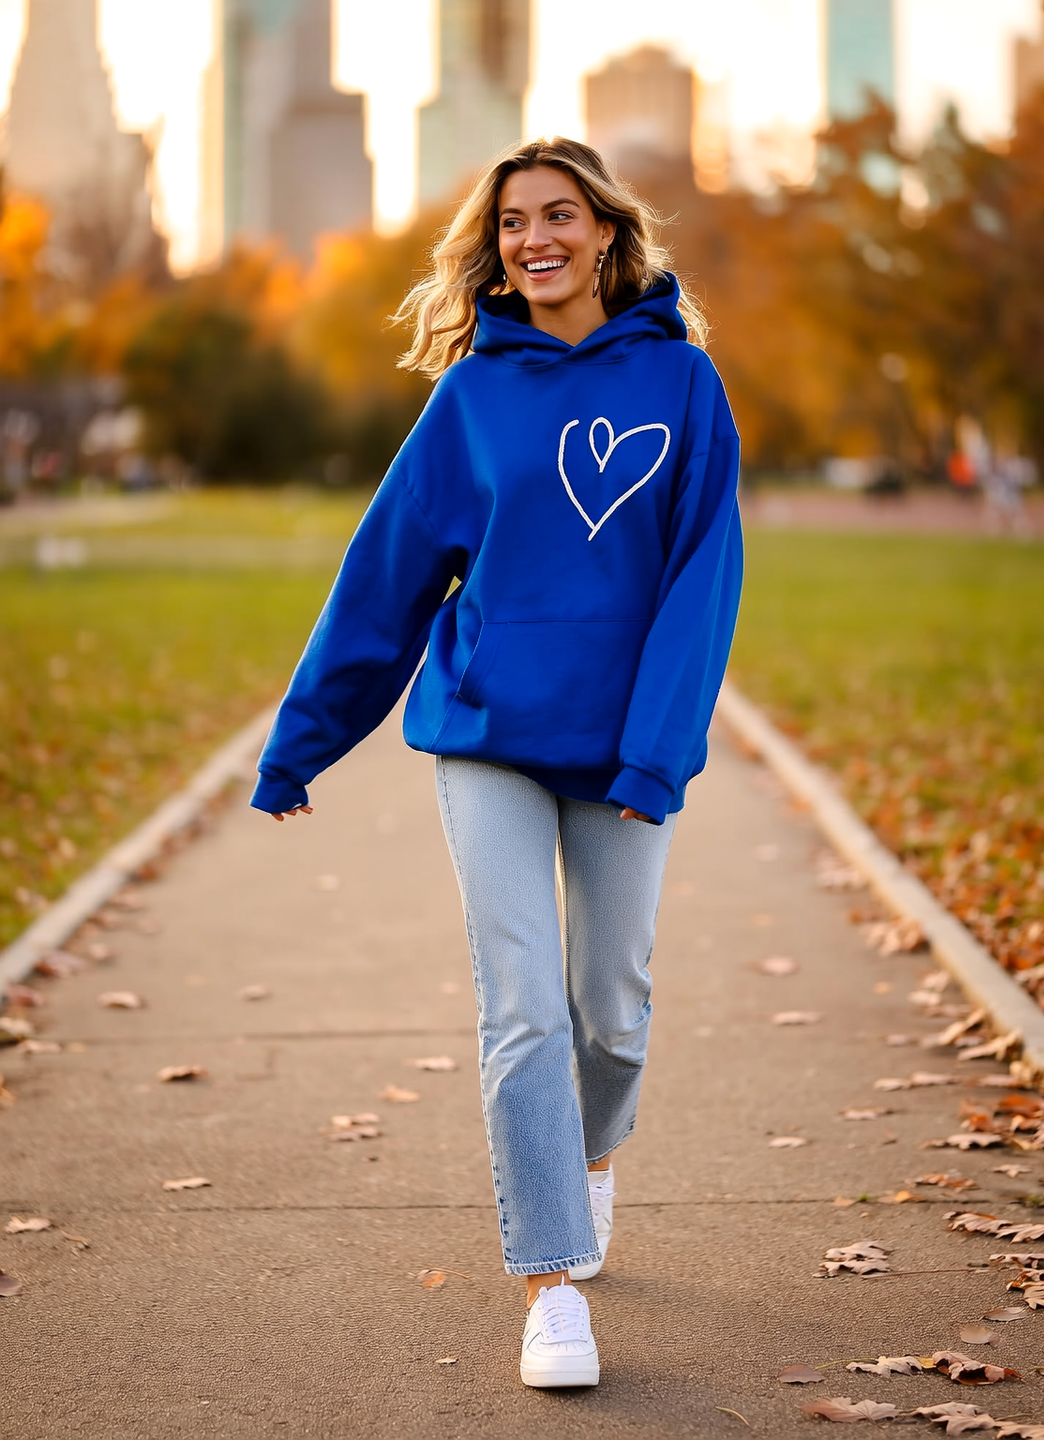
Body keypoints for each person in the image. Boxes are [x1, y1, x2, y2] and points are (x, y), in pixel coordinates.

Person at [250, 137, 743, 1389]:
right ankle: (550, 1284)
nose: (538, 237)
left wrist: (658, 753)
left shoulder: (684, 384)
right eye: (516, 221)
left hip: (623, 744)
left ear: (606, 234)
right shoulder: (470, 398)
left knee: (613, 1010)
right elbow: (387, 580)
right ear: (497, 249)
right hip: (485, 738)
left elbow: (703, 584)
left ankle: (585, 1158)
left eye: (560, 215)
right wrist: (301, 743)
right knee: (522, 1009)